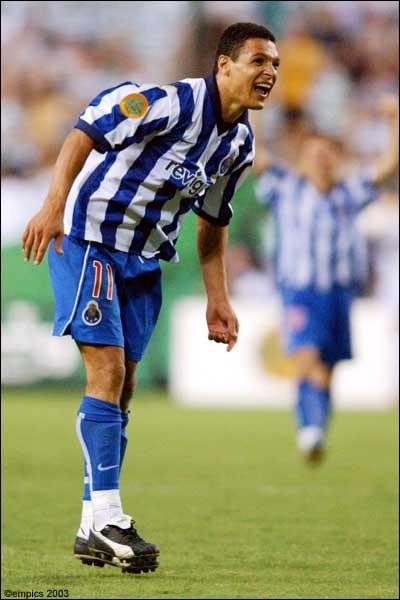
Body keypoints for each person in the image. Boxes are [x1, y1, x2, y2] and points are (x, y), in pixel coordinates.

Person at [21, 22, 280, 573]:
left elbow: (213, 221)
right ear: (225, 65)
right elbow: (88, 127)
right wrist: (52, 205)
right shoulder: (170, 103)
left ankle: (92, 524)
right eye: (259, 61)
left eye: (275, 65)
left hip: (144, 261)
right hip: (89, 240)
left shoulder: (239, 145)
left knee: (124, 389)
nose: (270, 73)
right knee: (107, 372)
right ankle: (110, 517)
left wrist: (218, 298)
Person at [254, 98, 398, 464]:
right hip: (300, 291)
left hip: (339, 293)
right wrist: (251, 110)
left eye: (327, 153)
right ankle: (310, 429)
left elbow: (389, 166)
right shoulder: (287, 186)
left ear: (336, 158)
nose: (321, 159)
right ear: (302, 159)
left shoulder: (348, 193)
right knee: (308, 360)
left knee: (327, 371)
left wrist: (395, 121)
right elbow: (255, 156)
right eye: (314, 153)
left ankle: (315, 428)